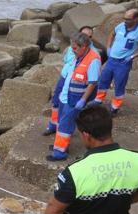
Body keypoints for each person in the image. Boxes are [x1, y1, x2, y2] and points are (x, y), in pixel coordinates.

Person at [48, 32, 101, 162]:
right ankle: (60, 146)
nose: (73, 50)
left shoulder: (93, 59)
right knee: (61, 123)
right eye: (72, 47)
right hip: (66, 96)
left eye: (75, 48)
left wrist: (83, 99)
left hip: (74, 99)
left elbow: (93, 83)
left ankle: (59, 153)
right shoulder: (79, 56)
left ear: (84, 46)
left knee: (65, 126)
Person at [93, 9, 138, 114]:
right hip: (111, 60)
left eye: (128, 19)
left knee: (119, 84)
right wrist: (108, 47)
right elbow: (112, 34)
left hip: (123, 63)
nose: (125, 21)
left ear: (136, 19)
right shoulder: (121, 25)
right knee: (103, 80)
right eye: (124, 18)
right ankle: (98, 100)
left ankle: (115, 107)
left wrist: (133, 56)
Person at [44, 26, 99, 136]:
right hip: (65, 78)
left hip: (75, 89)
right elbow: (66, 61)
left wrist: (84, 99)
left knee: (67, 119)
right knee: (56, 102)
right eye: (83, 35)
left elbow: (93, 81)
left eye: (89, 36)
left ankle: (62, 145)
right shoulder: (73, 48)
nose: (86, 38)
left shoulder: (93, 56)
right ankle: (53, 126)